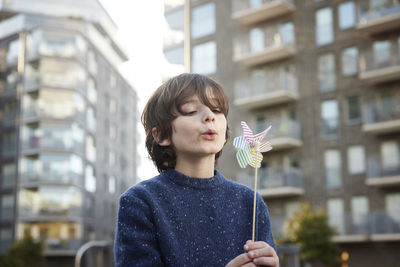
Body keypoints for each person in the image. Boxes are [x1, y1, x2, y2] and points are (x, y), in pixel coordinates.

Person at [114, 73, 279, 266]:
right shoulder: (140, 201)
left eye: (217, 110)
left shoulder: (250, 202)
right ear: (160, 135)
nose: (210, 116)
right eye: (191, 111)